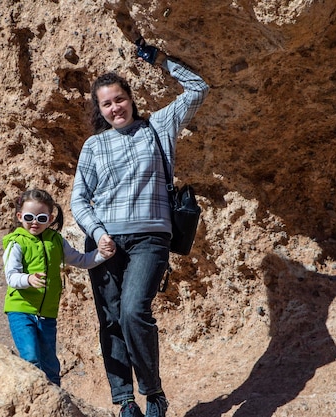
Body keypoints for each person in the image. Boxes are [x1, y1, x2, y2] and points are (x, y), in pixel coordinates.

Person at [70, 38, 210, 417]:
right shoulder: (94, 145)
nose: (115, 107)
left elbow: (199, 89)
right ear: (99, 109)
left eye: (119, 99)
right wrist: (98, 234)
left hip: (152, 237)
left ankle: (154, 394)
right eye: (107, 103)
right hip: (106, 242)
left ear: (130, 98)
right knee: (111, 319)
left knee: (134, 310)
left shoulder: (159, 127)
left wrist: (160, 60)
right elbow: (79, 200)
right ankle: (124, 401)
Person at [3, 188, 115, 386]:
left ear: (51, 218)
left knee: (51, 364)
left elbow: (81, 260)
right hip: (20, 310)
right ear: (20, 216)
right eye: (29, 217)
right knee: (31, 358)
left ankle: (55, 398)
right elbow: (11, 276)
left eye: (41, 217)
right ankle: (34, 398)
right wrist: (28, 279)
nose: (35, 222)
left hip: (47, 313)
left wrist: (102, 255)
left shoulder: (56, 241)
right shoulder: (16, 242)